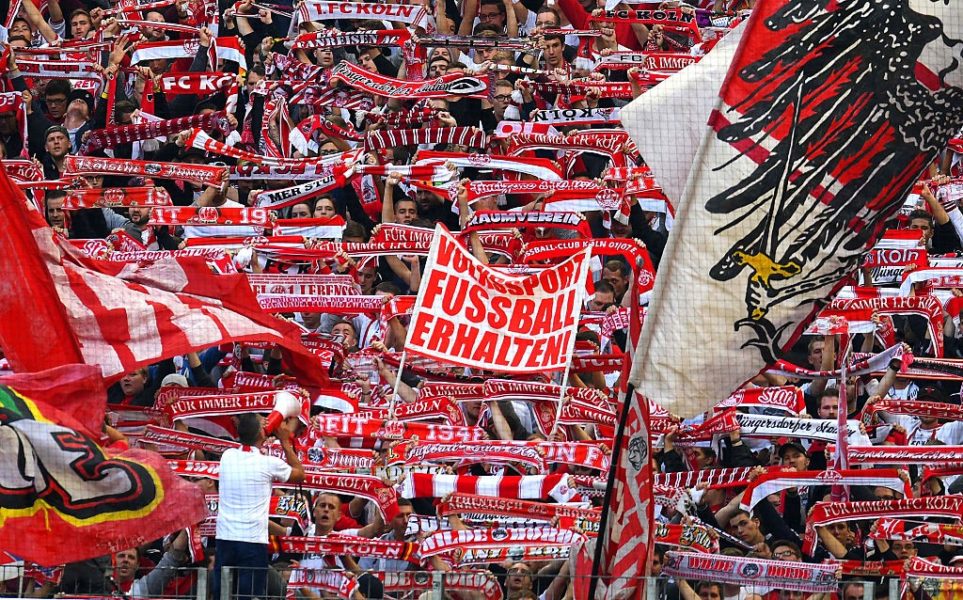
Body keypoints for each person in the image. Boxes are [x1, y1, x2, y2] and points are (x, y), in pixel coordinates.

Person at [212, 413, 305, 600]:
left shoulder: (227, 456)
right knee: (250, 595)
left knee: (221, 595)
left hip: (225, 539)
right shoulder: (268, 463)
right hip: (252, 542)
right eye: (265, 422)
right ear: (262, 433)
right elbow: (300, 474)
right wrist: (285, 441)